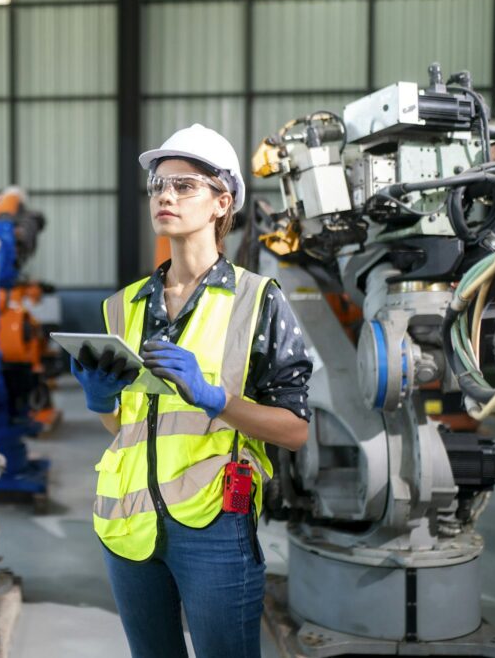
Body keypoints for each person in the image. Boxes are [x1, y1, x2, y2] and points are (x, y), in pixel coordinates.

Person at [71, 124, 313, 658]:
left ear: (221, 201)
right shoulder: (123, 306)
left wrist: (219, 401)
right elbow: (128, 425)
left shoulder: (258, 301)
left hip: (214, 525)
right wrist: (102, 402)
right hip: (128, 520)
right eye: (159, 184)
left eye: (184, 185)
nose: (165, 195)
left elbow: (295, 431)